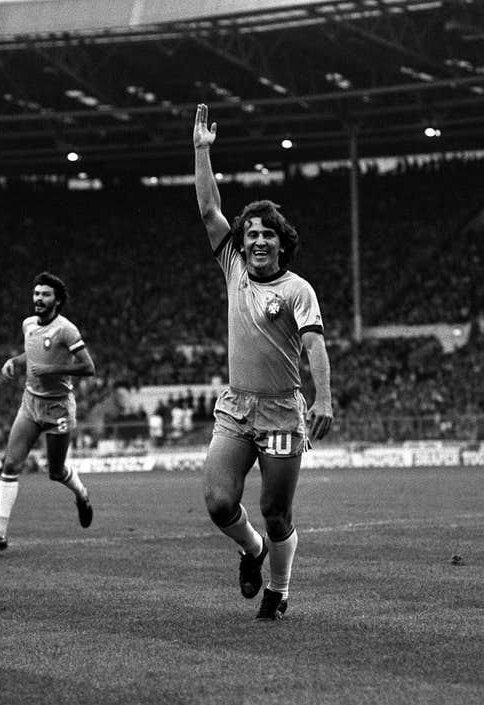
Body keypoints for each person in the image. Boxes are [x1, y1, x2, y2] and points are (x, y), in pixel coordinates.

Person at [193, 104, 334, 620]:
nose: (255, 241)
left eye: (266, 234)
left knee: (277, 512)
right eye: (250, 233)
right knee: (218, 501)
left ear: (281, 243)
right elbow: (210, 212)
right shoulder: (232, 267)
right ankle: (250, 550)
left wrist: (325, 396)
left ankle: (279, 590)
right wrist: (202, 150)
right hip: (236, 407)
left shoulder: (298, 291)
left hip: (279, 411)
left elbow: (315, 345)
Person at [0, 271, 95, 552]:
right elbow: (34, 353)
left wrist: (53, 369)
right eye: (36, 293)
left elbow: (88, 367)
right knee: (10, 465)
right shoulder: (28, 324)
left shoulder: (67, 330)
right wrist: (15, 361)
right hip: (30, 403)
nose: (38, 299)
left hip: (58, 407)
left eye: (45, 295)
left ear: (57, 300)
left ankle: (82, 495)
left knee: (55, 471)